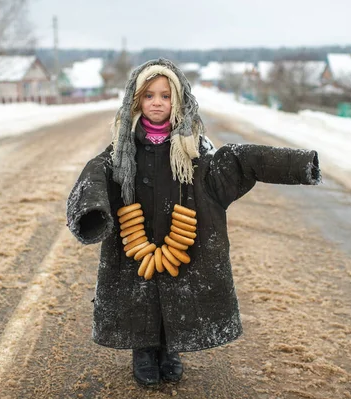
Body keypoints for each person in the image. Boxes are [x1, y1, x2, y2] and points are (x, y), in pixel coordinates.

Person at [66, 58, 321, 387]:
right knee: (141, 294)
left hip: (181, 244)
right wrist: (92, 211)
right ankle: (144, 350)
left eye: (165, 95)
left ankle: (171, 348)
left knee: (175, 290)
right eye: (149, 95)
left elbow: (244, 161)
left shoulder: (197, 153)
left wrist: (299, 164)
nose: (157, 102)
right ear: (136, 101)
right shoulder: (120, 153)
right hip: (135, 245)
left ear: (179, 101)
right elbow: (93, 177)